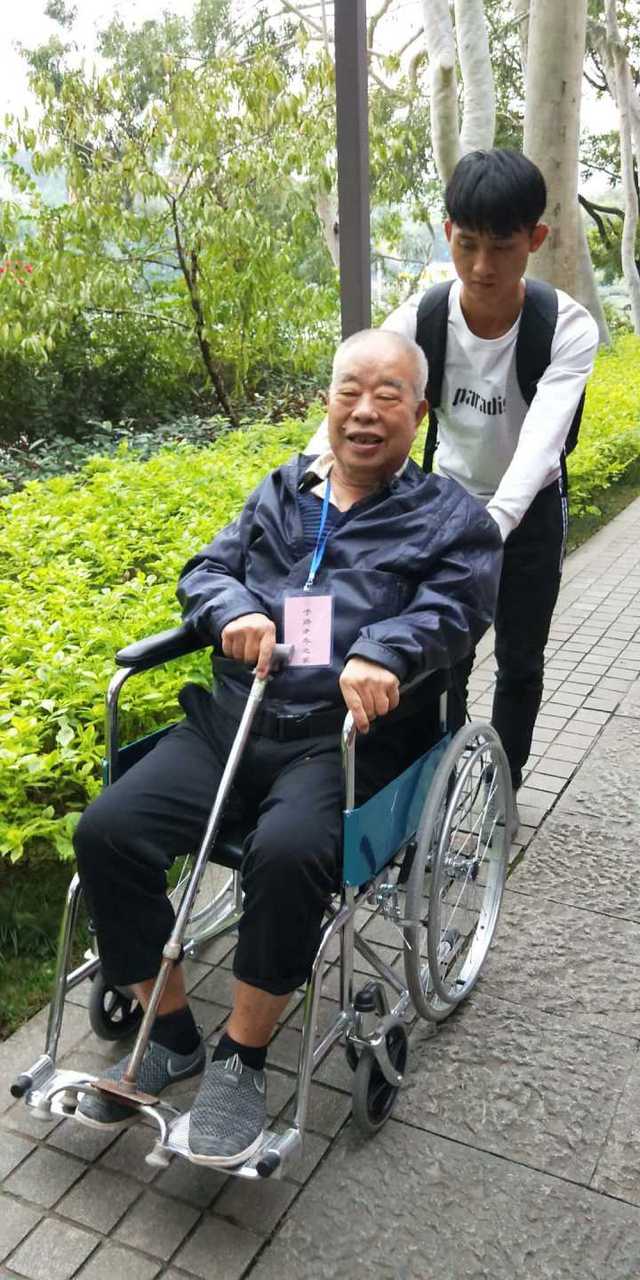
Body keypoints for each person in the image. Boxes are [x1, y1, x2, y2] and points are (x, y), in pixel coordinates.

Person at [73, 328, 502, 1168]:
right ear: (327, 403)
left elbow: (456, 609)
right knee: (108, 831)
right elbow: (207, 568)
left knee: (290, 853)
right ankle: (169, 1033)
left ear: (420, 413)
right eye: (350, 391)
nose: (365, 411)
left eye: (388, 395)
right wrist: (232, 608)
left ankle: (242, 1058)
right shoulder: (281, 490)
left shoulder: (451, 520)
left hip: (342, 741)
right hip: (234, 718)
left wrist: (385, 649)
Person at [308, 149, 600, 837]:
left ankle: (503, 790)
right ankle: (437, 785)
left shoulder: (565, 327)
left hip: (526, 514)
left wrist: (490, 526)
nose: (482, 266)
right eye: (467, 244)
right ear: (448, 234)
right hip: (443, 505)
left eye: (502, 246)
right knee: (441, 657)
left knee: (519, 662)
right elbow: (359, 402)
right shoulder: (423, 315)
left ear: (535, 238)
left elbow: (542, 442)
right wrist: (311, 482)